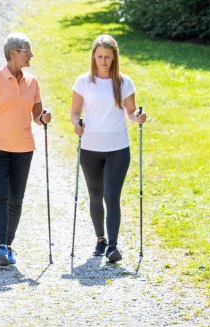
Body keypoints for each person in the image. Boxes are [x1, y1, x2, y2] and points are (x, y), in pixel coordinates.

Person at [0, 33, 52, 267]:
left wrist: (44, 117)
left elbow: (37, 116)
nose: (31, 55)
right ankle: (1, 246)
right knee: (0, 194)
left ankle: (7, 245)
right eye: (27, 51)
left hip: (24, 149)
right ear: (13, 52)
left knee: (16, 198)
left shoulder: (33, 82)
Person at [70, 34, 147, 263]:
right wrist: (77, 124)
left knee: (111, 195)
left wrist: (139, 117)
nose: (103, 61)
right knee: (95, 195)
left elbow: (131, 113)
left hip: (117, 148)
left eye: (107, 57)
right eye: (99, 56)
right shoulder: (83, 81)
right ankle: (100, 239)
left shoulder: (124, 82)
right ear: (93, 56)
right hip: (90, 148)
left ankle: (113, 246)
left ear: (114, 58)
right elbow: (74, 112)